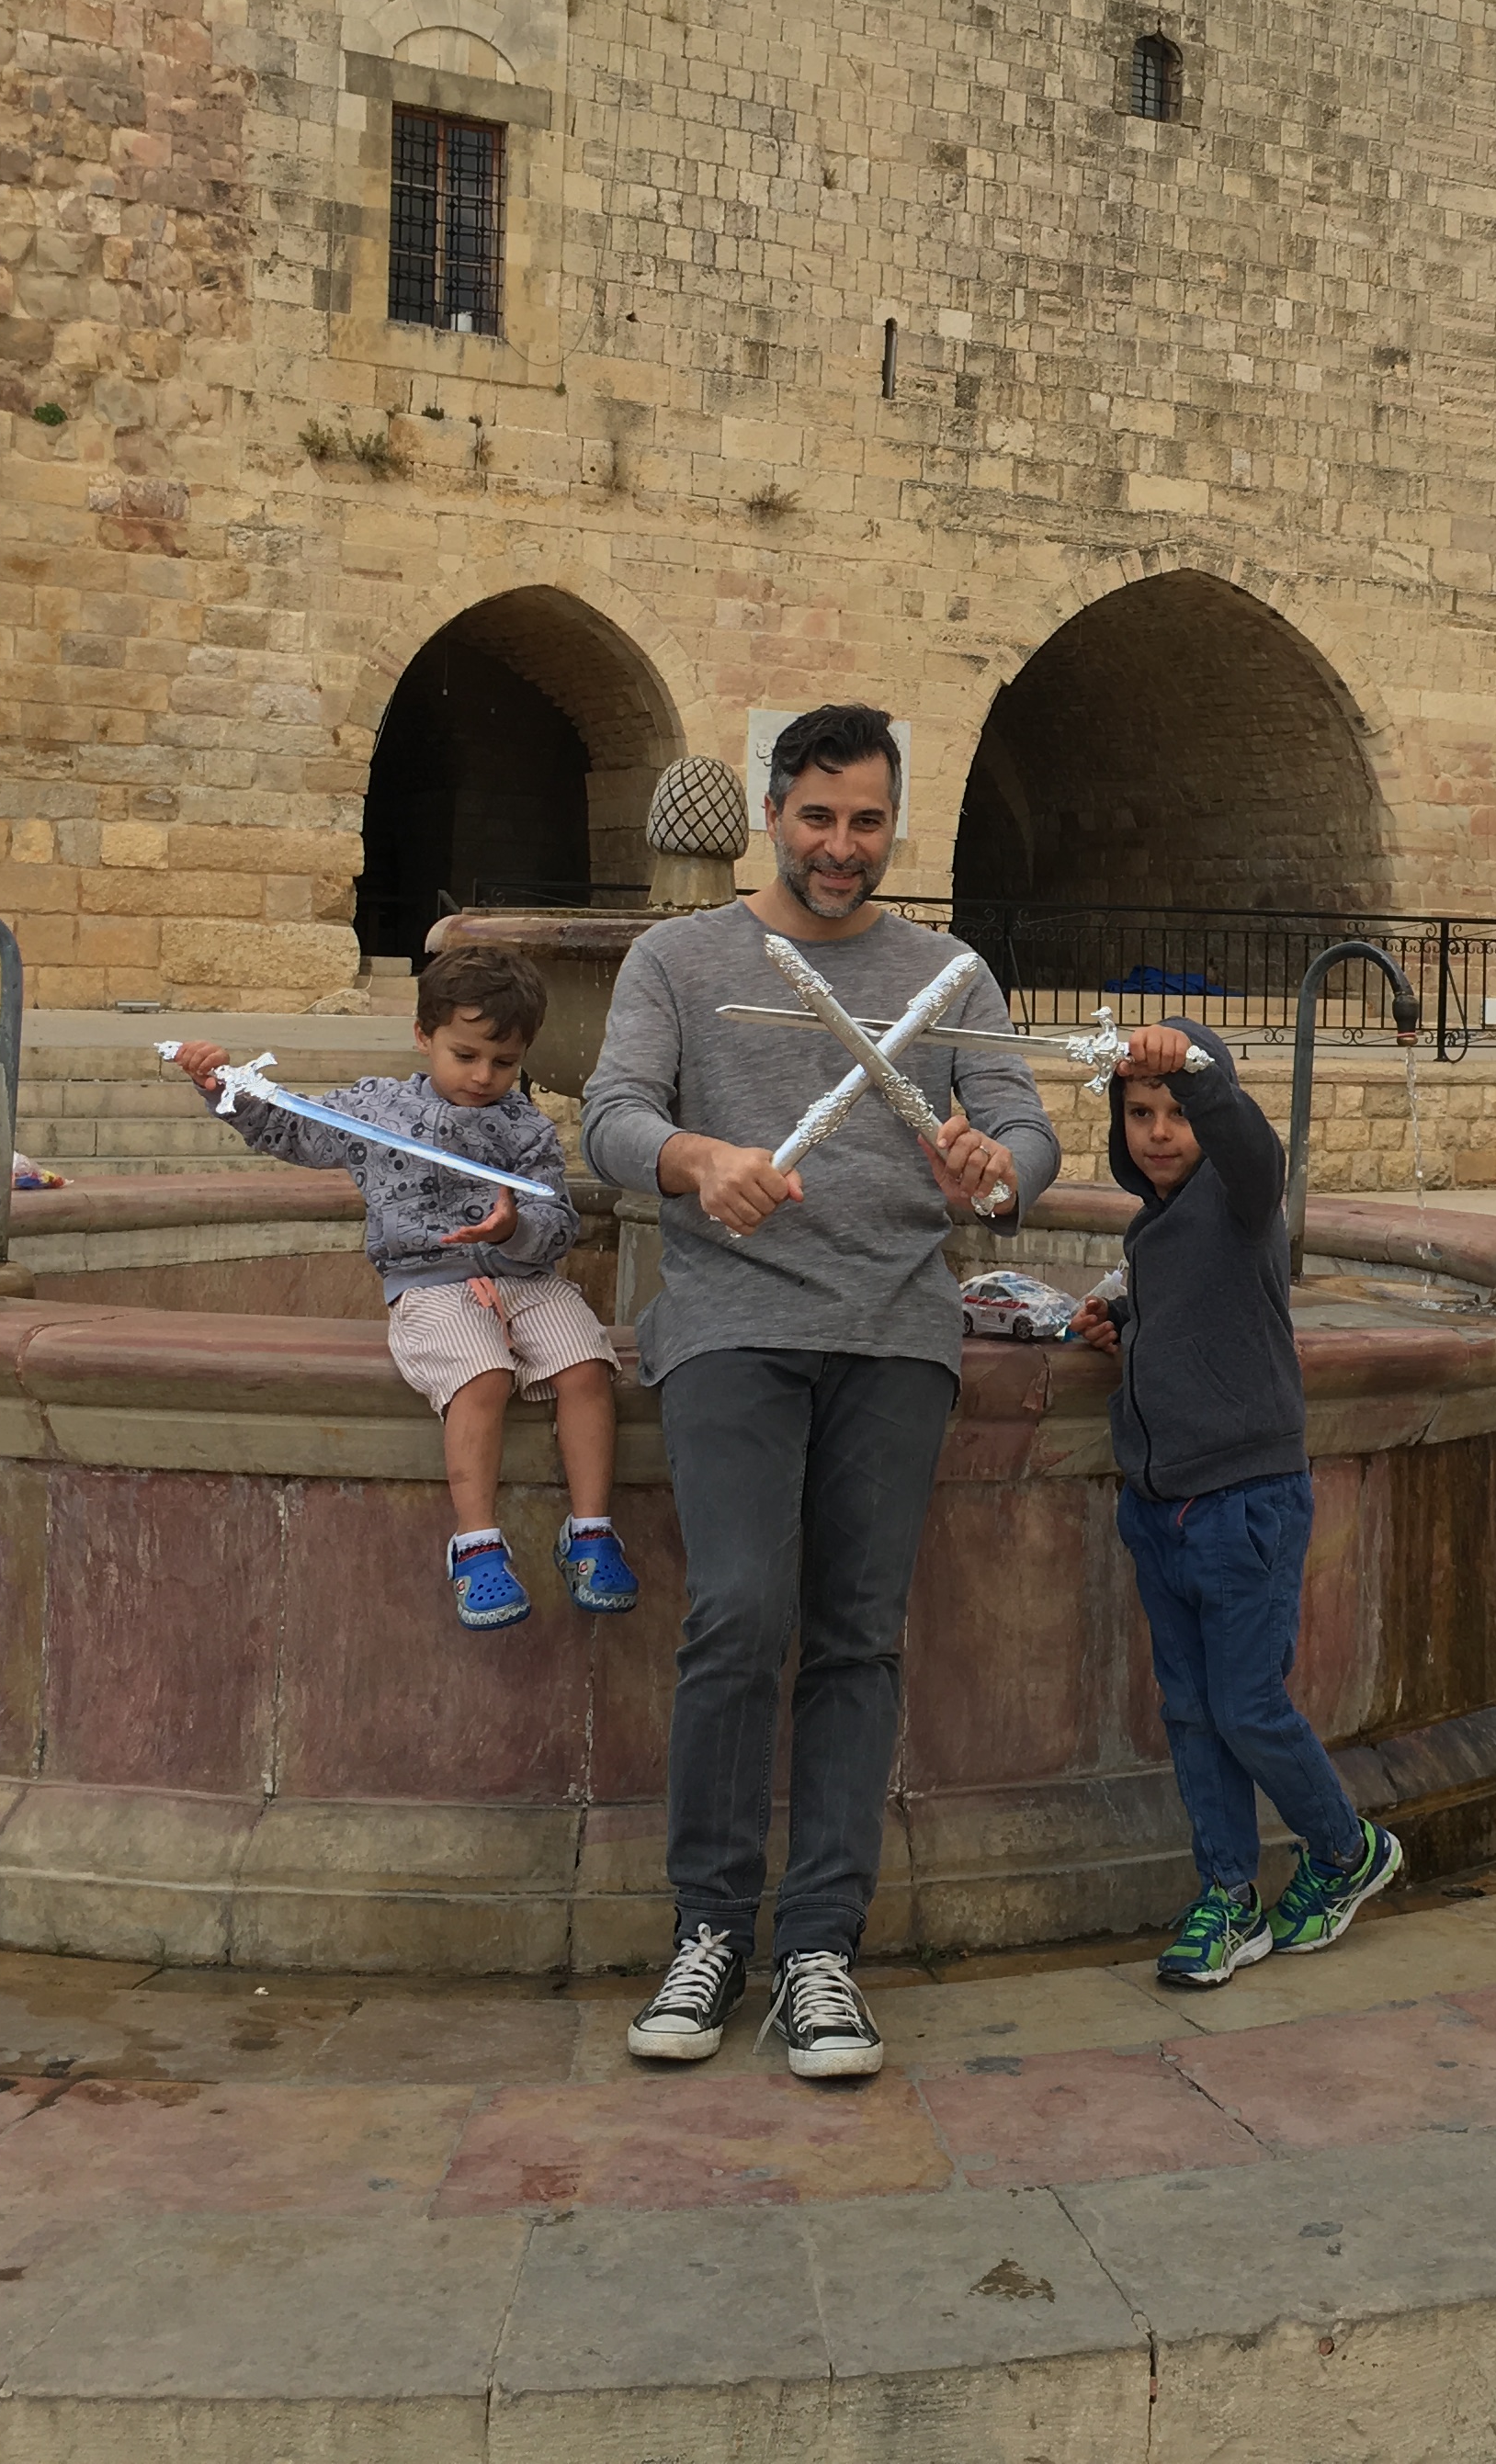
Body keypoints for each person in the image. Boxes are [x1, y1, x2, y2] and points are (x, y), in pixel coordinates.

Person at [581, 704, 1060, 2083]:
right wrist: (694, 1161)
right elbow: (610, 1117)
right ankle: (709, 1929)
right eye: (817, 818)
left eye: (867, 822)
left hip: (894, 1330)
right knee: (738, 1613)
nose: (841, 846)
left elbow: (1025, 1131)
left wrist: (997, 1172)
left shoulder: (948, 973)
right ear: (771, 814)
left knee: (857, 1633)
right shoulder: (681, 959)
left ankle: (819, 1950)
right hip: (732, 1323)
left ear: (892, 824)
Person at [1071, 1020, 1404, 1985]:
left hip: (1242, 1504)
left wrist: (1194, 1070)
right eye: (1139, 1113)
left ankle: (1345, 1849)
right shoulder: (1156, 1224)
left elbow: (1255, 1149)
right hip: (1162, 1508)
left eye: (1177, 1113)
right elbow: (1198, 1311)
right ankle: (1227, 1894)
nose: (1159, 1132)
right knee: (1190, 1711)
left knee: (1248, 1706)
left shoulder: (1241, 1193)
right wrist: (1120, 1319)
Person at [172, 944, 629, 1631]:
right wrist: (220, 1086)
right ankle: (477, 1546)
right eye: (465, 1055)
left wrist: (514, 1230)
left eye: (504, 1063)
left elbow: (558, 1223)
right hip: (432, 1283)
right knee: (482, 1375)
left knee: (587, 1365)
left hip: (525, 1278)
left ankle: (590, 1533)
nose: (483, 1076)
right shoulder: (376, 1108)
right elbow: (291, 1128)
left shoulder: (527, 1128)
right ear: (423, 1035)